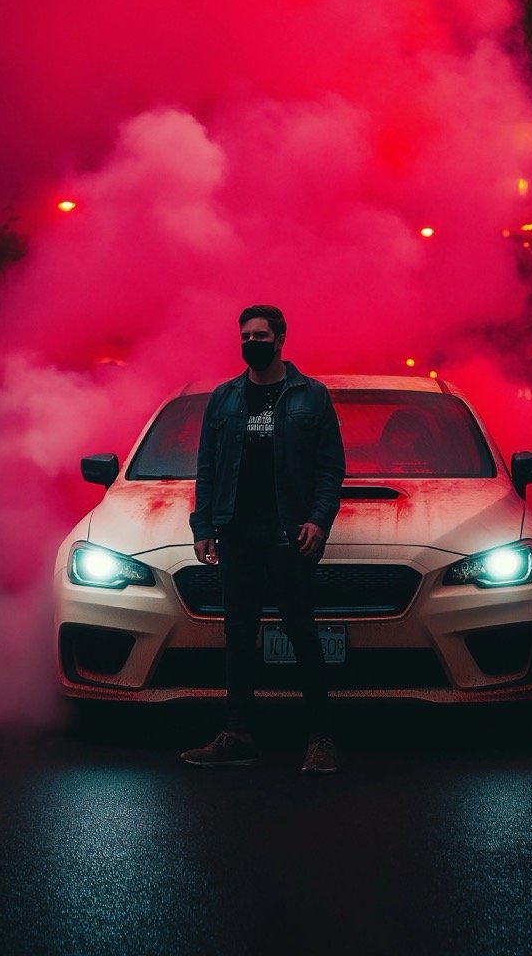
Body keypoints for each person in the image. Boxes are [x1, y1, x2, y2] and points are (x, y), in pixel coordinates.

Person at [180, 304, 345, 774]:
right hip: (236, 534)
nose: (251, 343)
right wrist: (204, 526)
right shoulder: (225, 398)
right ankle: (238, 735)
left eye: (260, 336)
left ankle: (321, 738)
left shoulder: (310, 396)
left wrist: (318, 520)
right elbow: (208, 466)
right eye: (245, 336)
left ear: (280, 338)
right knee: (237, 638)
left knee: (302, 634)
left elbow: (330, 467)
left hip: (288, 535)